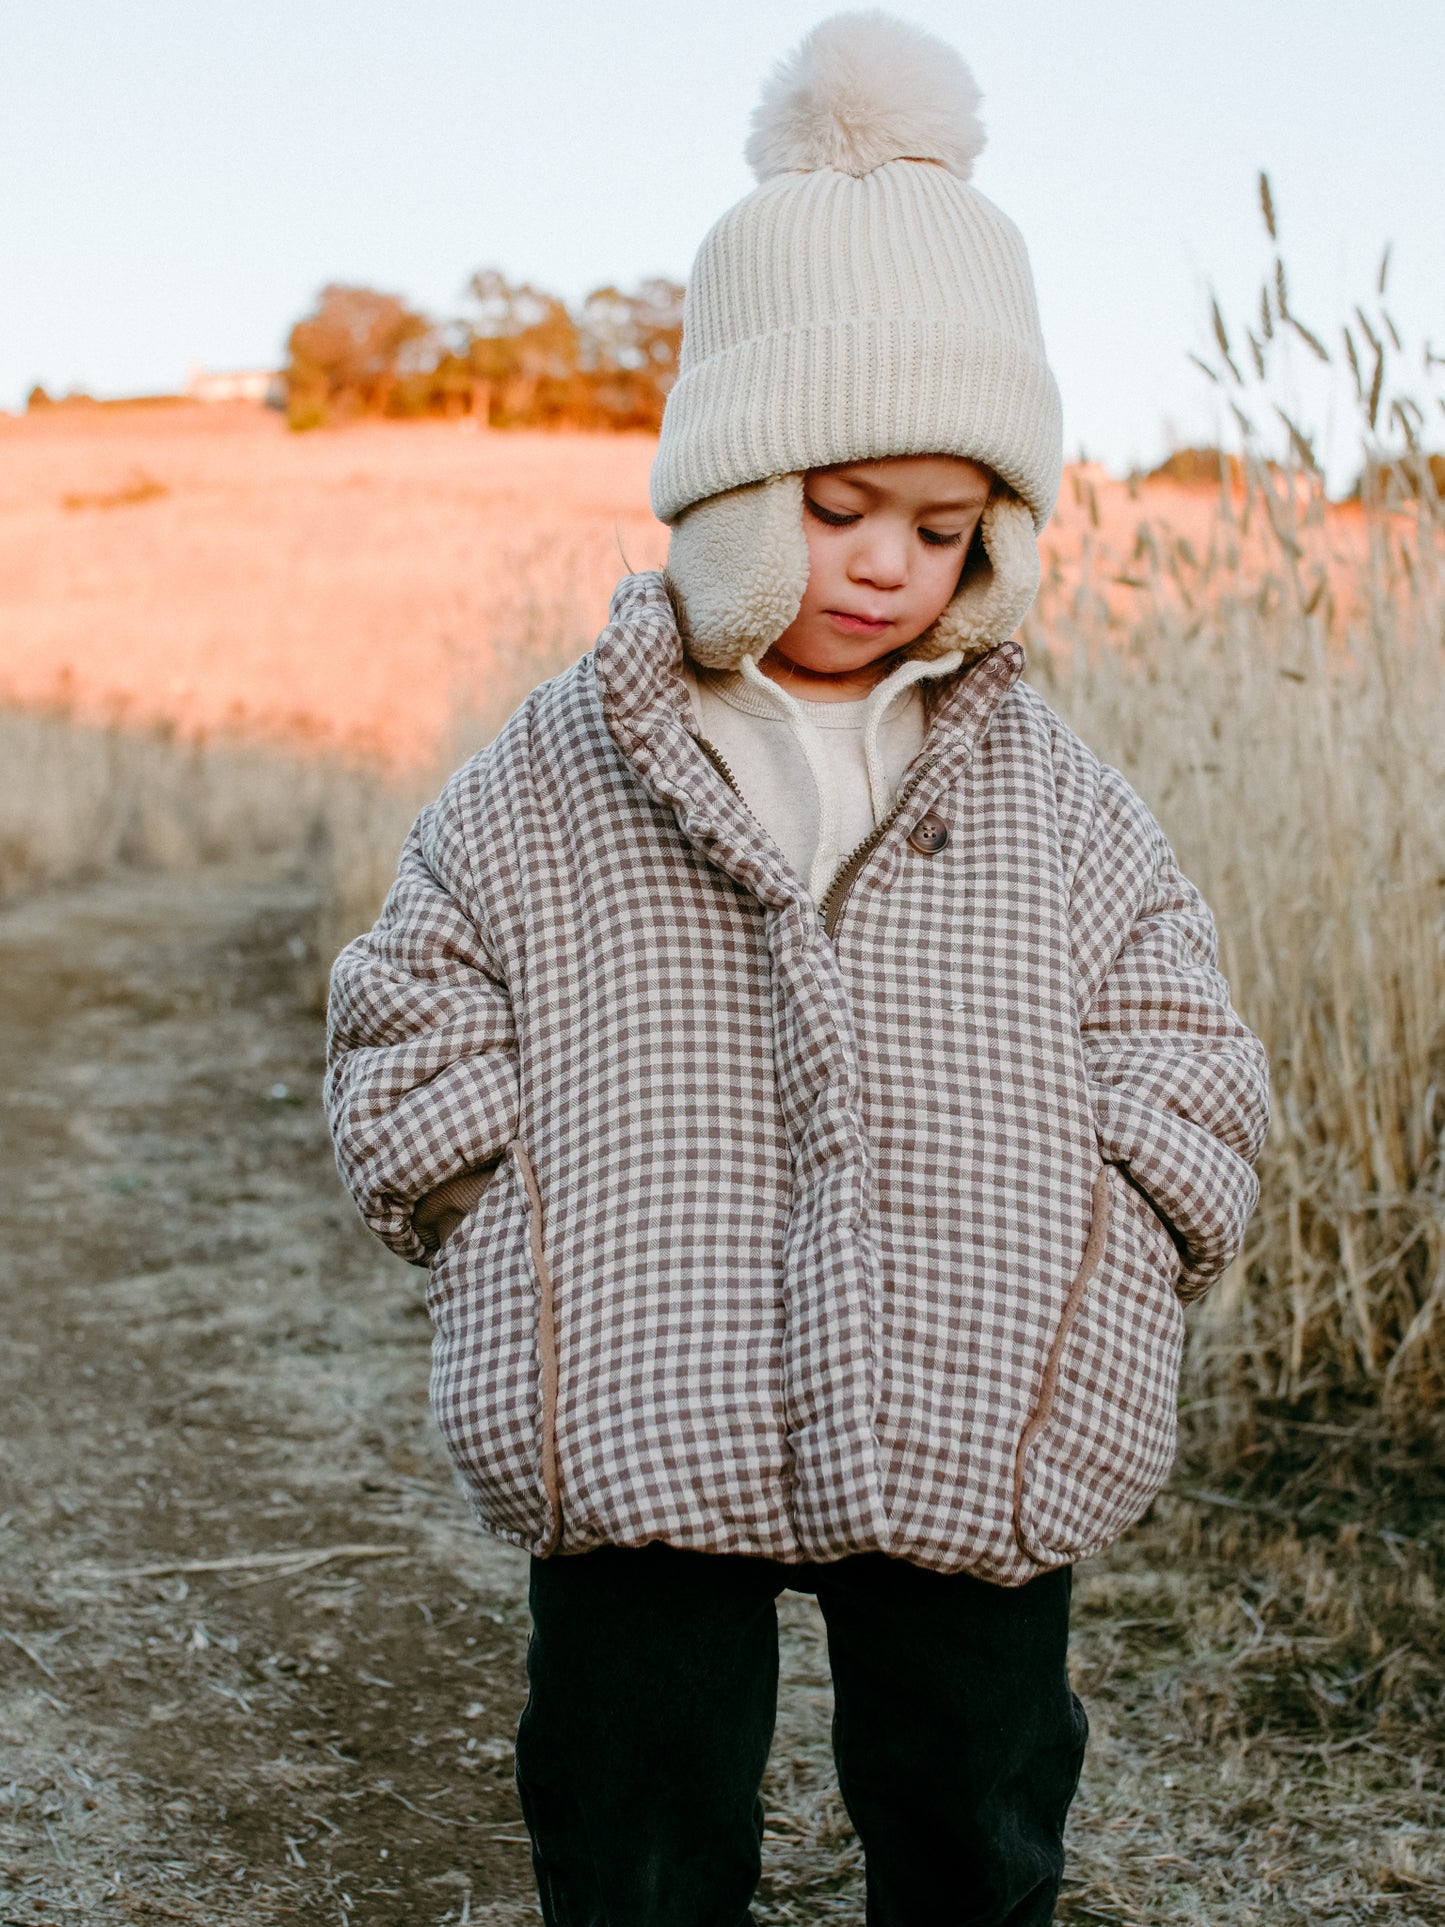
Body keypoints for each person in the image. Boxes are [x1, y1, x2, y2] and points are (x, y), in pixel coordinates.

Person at [324, 13, 1270, 1924]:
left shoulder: (1045, 788)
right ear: (729, 490)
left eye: (942, 527)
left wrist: (1141, 1200)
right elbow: (411, 986)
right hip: (632, 1340)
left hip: (980, 1341)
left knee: (977, 1793)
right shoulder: (565, 761)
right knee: (632, 1802)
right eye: (834, 512)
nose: (884, 568)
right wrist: (490, 1185)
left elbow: (1178, 1010)